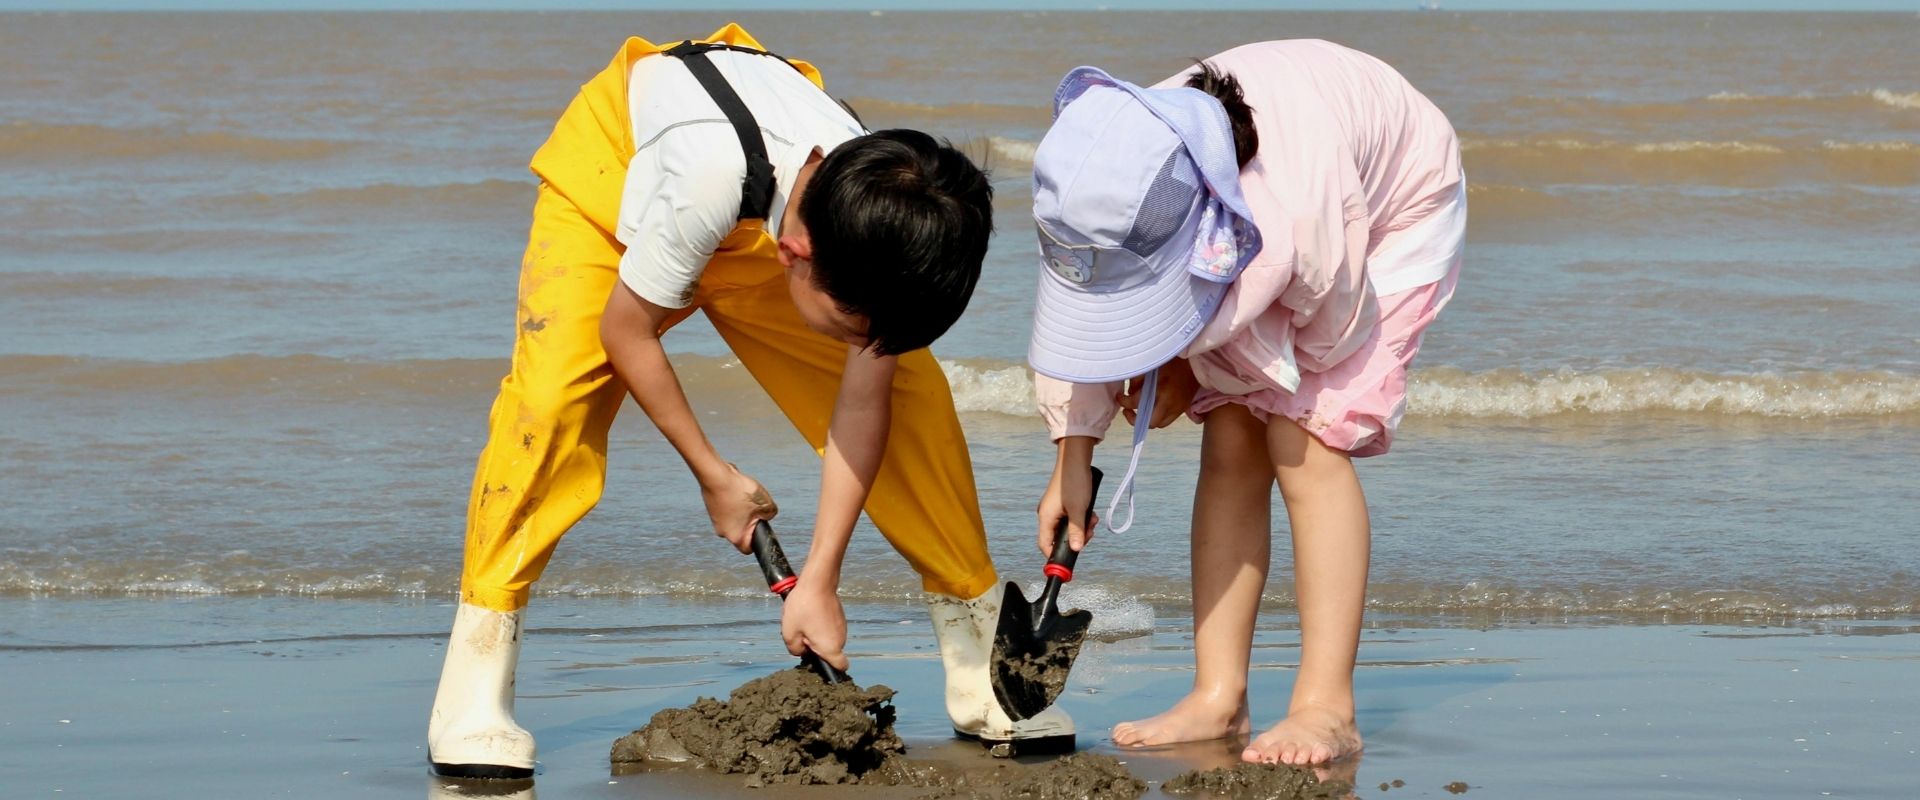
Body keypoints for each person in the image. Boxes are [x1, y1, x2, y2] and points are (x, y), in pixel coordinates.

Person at [427, 23, 1074, 779]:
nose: (864, 340)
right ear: (796, 259)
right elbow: (627, 332)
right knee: (549, 408)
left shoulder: (871, 197)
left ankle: (978, 666)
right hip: (623, 173)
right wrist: (714, 476)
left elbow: (864, 401)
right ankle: (474, 685)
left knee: (910, 389)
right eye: (857, 326)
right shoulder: (706, 175)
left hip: (765, 201)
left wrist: (821, 583)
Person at [1025, 40, 1464, 766]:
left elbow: (1328, 338)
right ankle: (1218, 695)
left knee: (1303, 439)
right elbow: (1085, 314)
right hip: (1269, 214)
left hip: (1390, 206)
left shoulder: (1300, 207)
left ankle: (1328, 705)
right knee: (1230, 440)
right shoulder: (1095, 184)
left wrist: (1195, 370)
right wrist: (1071, 458)